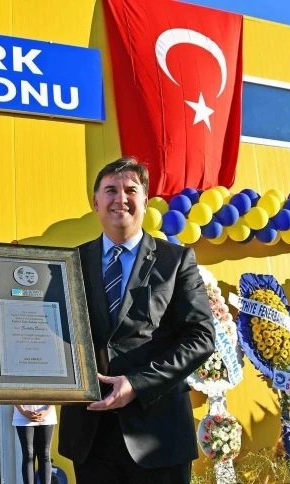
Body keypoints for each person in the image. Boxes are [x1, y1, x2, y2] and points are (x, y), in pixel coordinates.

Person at [58, 158, 215, 484]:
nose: (121, 198)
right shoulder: (68, 262)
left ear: (145, 200)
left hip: (160, 436)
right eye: (110, 190)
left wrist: (138, 384)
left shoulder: (176, 260)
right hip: (90, 437)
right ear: (96, 202)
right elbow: (49, 328)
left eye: (131, 190)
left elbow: (200, 337)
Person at [13, 404, 57, 484]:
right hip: (23, 417)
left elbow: (56, 396)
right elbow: (13, 396)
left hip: (47, 417)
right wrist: (23, 411)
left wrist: (46, 411)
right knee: (28, 455)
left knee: (45, 454)